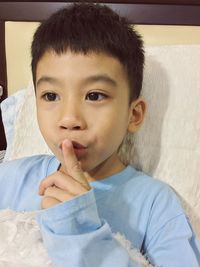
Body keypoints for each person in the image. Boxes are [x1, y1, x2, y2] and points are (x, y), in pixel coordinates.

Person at [0, 3, 200, 266]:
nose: (69, 119)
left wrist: (81, 230)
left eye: (94, 96)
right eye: (51, 96)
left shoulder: (155, 204)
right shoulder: (11, 177)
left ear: (134, 115)